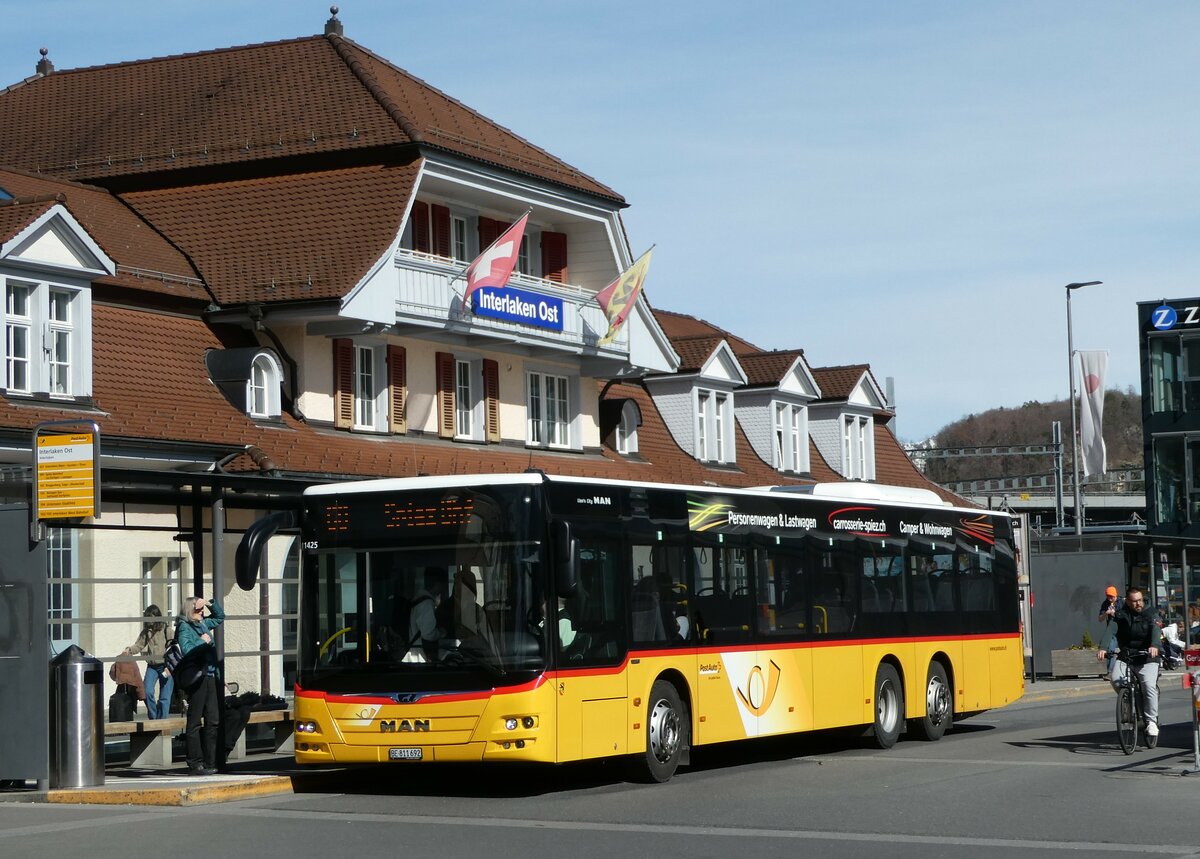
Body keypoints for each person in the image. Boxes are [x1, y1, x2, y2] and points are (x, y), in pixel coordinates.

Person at [1096, 586, 1161, 738]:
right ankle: (1130, 703)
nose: (1138, 604)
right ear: (1128, 602)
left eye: (1139, 600)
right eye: (1134, 601)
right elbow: (1111, 630)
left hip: (1147, 656)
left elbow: (1156, 630)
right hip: (1127, 655)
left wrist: (1154, 645)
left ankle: (1151, 721)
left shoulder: (1151, 613)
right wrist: (1103, 648)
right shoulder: (1121, 614)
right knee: (1115, 679)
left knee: (1149, 686)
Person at [176, 595, 225, 775]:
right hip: (198, 677)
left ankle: (211, 761)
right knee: (195, 721)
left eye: (202, 609)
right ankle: (195, 762)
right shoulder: (184, 627)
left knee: (213, 720)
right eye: (198, 609)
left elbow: (220, 617)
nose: (202, 612)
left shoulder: (202, 624)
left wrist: (211, 603)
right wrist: (202, 642)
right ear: (190, 610)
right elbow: (187, 649)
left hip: (211, 676)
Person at [123, 605, 173, 719]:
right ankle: (154, 718)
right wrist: (129, 650)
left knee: (164, 698)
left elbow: (173, 647)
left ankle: (162, 722)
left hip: (166, 666)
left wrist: (170, 666)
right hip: (152, 666)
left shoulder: (167, 630)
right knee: (147, 691)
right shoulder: (146, 632)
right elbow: (138, 645)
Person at [404, 571, 445, 663]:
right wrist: (441, 633)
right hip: (417, 655)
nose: (443, 589)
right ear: (437, 584)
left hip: (412, 652)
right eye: (442, 585)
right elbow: (428, 634)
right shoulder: (426, 604)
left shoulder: (417, 599)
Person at [1098, 586, 1121, 674]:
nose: (1110, 599)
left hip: (1122, 629)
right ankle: (1110, 672)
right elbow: (1100, 619)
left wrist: (1115, 613)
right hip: (1112, 631)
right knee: (1110, 649)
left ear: (1115, 595)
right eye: (1108, 596)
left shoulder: (1121, 602)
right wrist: (1106, 613)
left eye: (1111, 597)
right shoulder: (1105, 603)